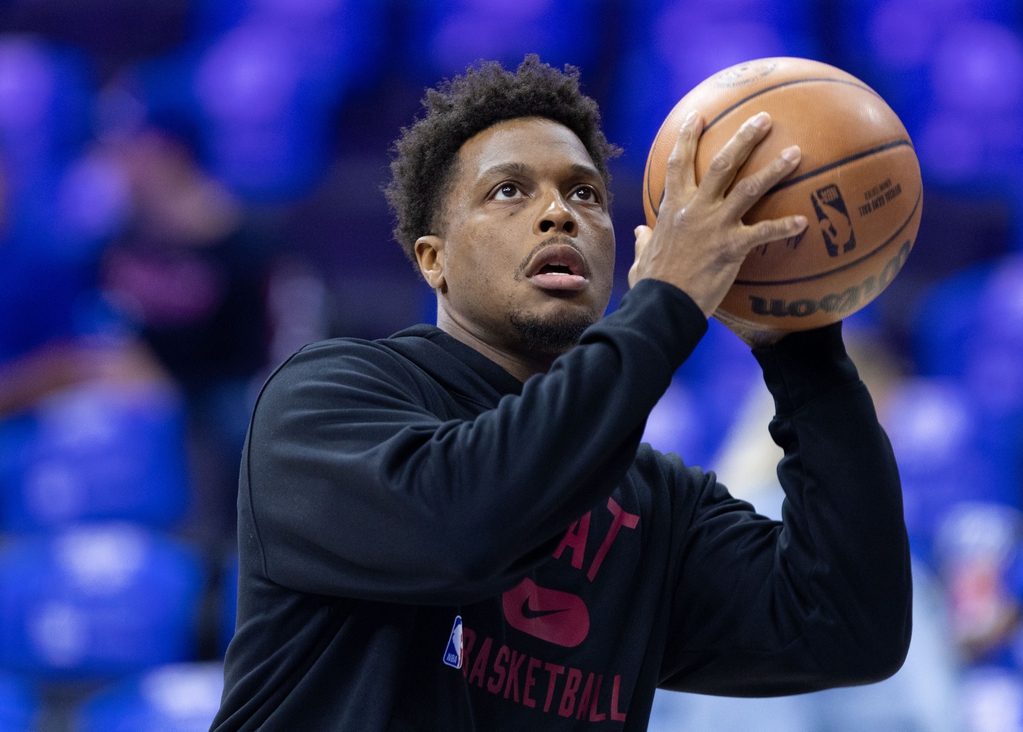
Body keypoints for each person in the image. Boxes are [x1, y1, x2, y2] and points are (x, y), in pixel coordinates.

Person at [212, 56, 912, 731]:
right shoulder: (324, 401)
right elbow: (466, 527)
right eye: (509, 191)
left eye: (585, 193)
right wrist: (666, 302)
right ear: (435, 259)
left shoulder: (653, 504)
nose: (558, 213)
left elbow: (849, 627)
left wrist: (800, 341)